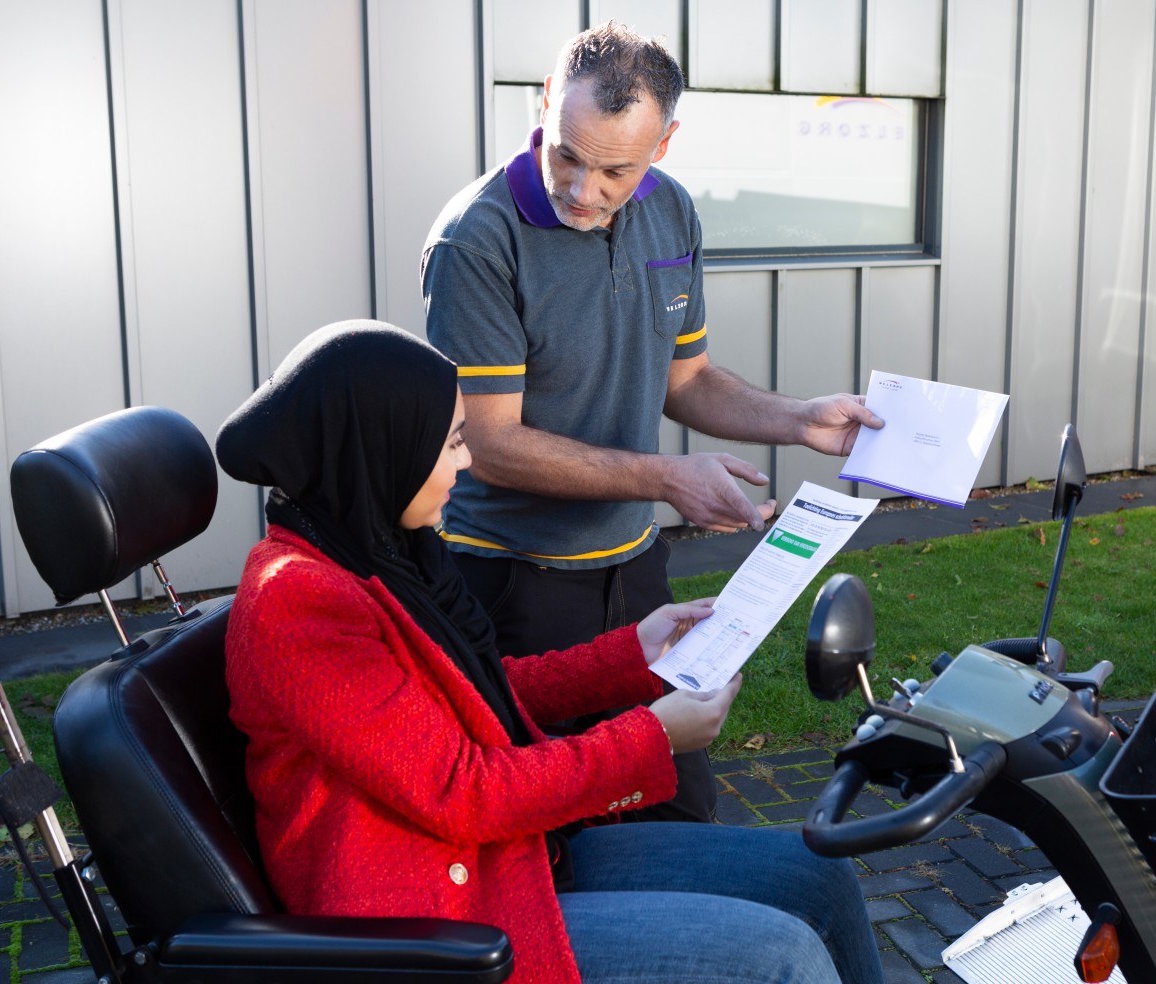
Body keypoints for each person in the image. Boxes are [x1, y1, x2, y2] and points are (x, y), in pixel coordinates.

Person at [215, 320, 883, 984]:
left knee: (819, 876)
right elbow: (463, 791)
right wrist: (651, 737)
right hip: (442, 921)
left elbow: (475, 694)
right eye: (450, 443)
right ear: (381, 448)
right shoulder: (298, 603)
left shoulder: (380, 549)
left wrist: (635, 656)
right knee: (780, 959)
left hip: (510, 859)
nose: (467, 462)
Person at [421, 22, 884, 823]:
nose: (583, 190)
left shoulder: (670, 213)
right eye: (568, 155)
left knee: (676, 815)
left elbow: (689, 379)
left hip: (636, 575)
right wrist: (667, 477)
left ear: (663, 145)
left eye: (616, 170)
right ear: (545, 106)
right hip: (511, 584)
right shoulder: (478, 239)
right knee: (546, 830)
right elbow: (489, 446)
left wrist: (800, 419)